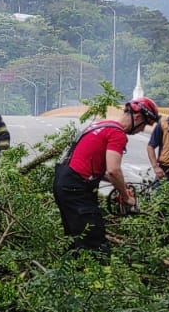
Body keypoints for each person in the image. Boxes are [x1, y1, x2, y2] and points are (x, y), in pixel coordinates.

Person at [51, 97, 159, 255]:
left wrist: (122, 185)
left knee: (76, 238)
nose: (141, 131)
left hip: (65, 183)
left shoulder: (101, 125)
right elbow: (113, 170)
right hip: (76, 189)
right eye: (144, 126)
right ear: (138, 117)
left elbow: (94, 168)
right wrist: (127, 197)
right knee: (94, 243)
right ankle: (93, 275)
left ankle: (72, 271)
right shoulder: (117, 134)